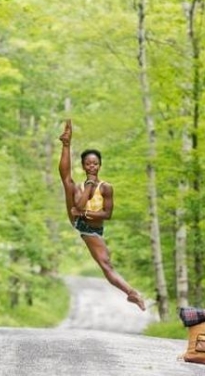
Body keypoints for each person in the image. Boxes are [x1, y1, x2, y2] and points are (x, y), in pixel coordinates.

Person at [58, 119, 146, 311]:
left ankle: (132, 294)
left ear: (99, 165)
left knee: (106, 265)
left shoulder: (106, 187)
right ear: (83, 166)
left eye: (95, 164)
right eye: (88, 164)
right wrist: (67, 145)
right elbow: (65, 175)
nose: (92, 166)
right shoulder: (79, 188)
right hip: (79, 221)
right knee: (68, 183)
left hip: (93, 226)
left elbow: (107, 214)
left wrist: (85, 211)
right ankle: (133, 293)